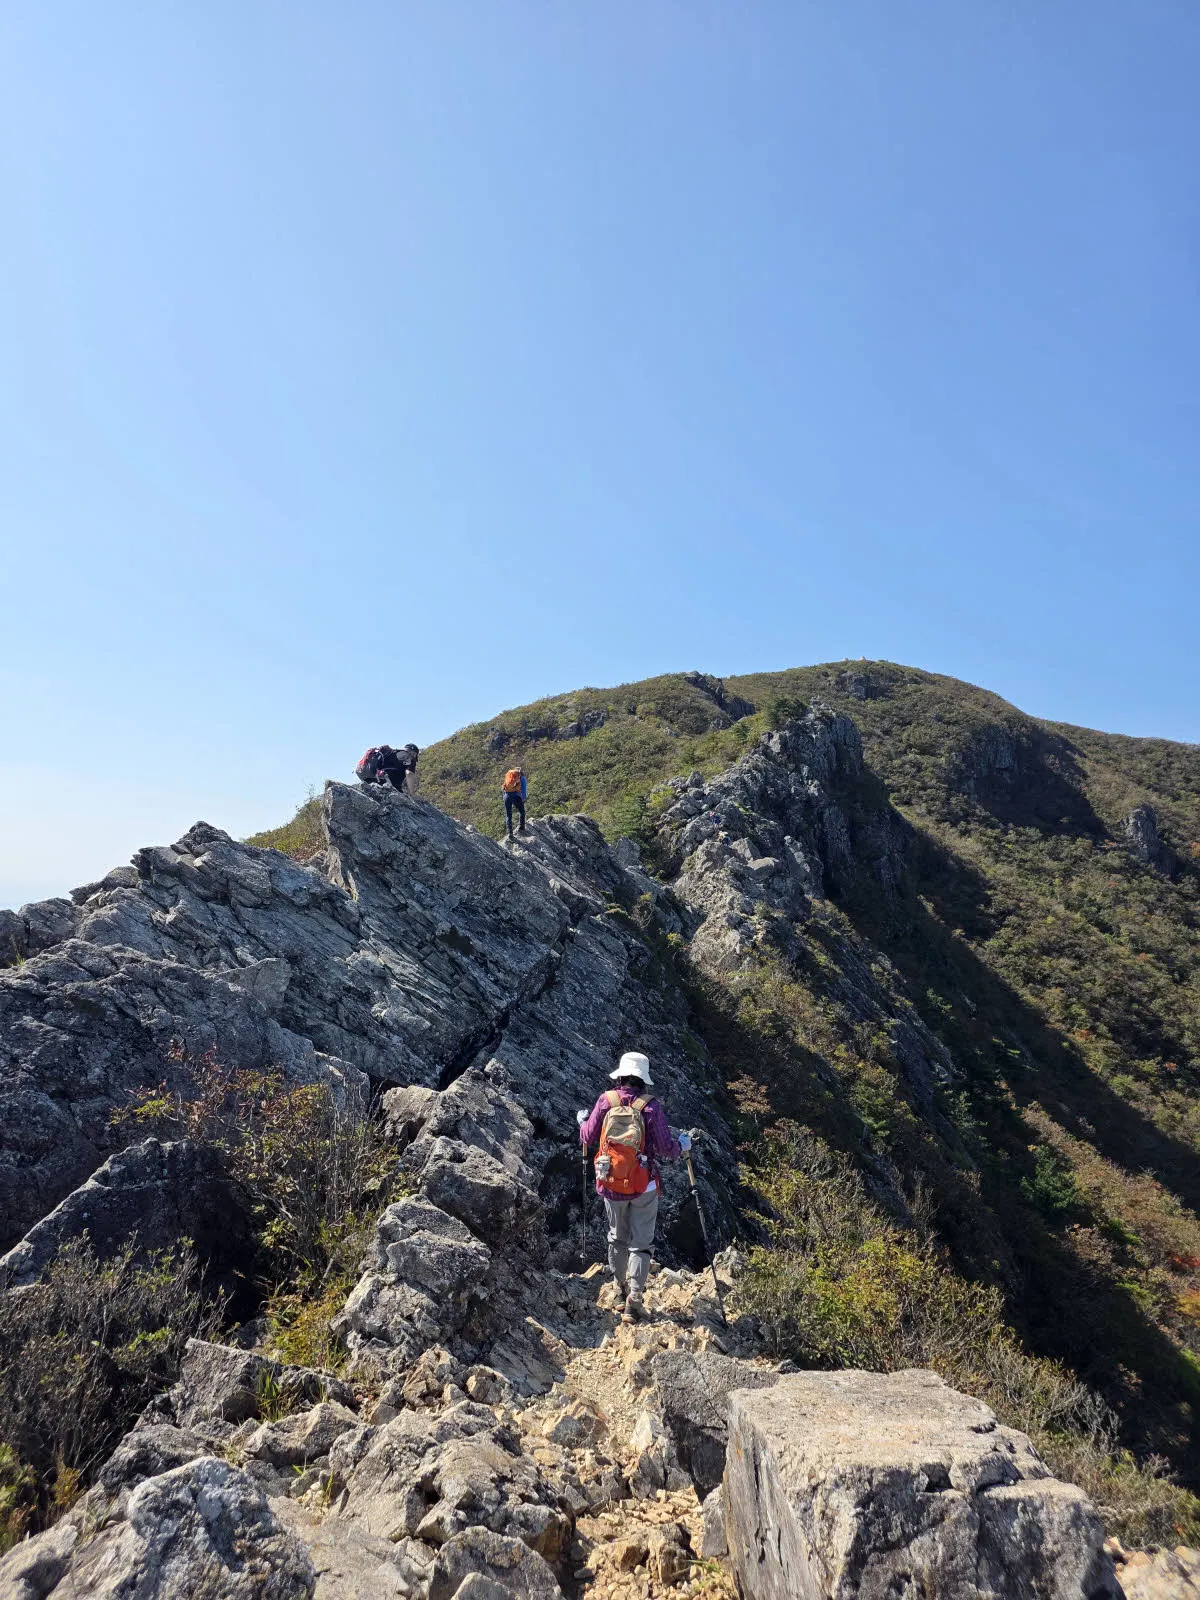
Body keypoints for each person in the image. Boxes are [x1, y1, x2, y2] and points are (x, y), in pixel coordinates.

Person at [577, 1051, 691, 1322]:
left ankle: (618, 1289)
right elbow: (666, 1149)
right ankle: (634, 1299)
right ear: (643, 1079)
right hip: (644, 1184)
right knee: (640, 1245)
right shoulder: (651, 1107)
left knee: (617, 1238)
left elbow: (588, 1136)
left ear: (621, 1075)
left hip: (610, 1181)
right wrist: (683, 1146)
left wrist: (582, 1121)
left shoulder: (606, 1101)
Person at [502, 766, 527, 838]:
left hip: (507, 795)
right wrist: (523, 798)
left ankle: (509, 833)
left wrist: (504, 796)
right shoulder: (521, 778)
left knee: (508, 815)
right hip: (516, 796)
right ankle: (521, 827)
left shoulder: (509, 776)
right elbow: (524, 789)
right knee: (522, 812)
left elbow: (503, 787)